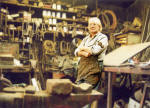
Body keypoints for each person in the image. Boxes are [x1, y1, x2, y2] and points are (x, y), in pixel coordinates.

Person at [74, 17, 108, 88]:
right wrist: (85, 53)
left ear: (99, 26)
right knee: (79, 88)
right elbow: (76, 52)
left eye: (94, 24)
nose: (92, 26)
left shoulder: (103, 38)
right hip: (83, 68)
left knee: (89, 90)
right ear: (88, 27)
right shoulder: (85, 39)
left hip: (95, 68)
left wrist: (82, 49)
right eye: (90, 24)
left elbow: (94, 51)